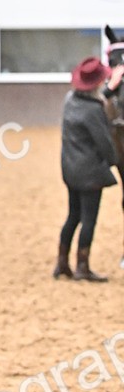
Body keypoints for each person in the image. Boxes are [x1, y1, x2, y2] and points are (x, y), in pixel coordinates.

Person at [54, 56, 119, 283]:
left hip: (71, 168)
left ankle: (62, 262)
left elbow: (97, 99)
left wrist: (109, 90)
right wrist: (114, 160)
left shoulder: (70, 99)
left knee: (73, 215)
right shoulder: (94, 110)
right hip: (90, 172)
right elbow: (104, 143)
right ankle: (83, 265)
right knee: (89, 219)